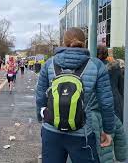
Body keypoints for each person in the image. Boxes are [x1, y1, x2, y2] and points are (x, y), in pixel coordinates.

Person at [36, 28, 114, 163]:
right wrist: (108, 130)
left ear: (63, 42)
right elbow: (106, 102)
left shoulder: (49, 64)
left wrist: (40, 116)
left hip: (51, 130)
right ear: (84, 43)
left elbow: (40, 96)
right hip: (82, 133)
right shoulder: (96, 65)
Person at [97, 45, 124, 122]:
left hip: (100, 101)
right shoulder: (115, 67)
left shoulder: (94, 68)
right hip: (115, 100)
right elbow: (121, 87)